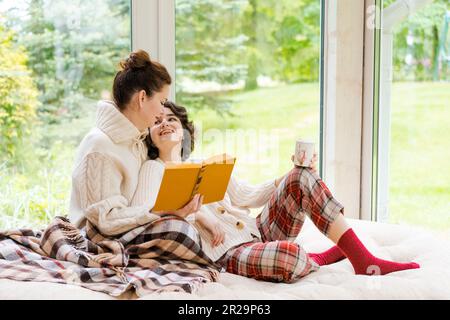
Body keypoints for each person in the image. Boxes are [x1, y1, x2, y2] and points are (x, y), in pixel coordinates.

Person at [143, 100, 421, 283]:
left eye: (171, 119)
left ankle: (363, 259)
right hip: (227, 252)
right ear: (150, 135)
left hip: (258, 229)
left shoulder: (205, 165)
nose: (165, 123)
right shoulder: (152, 170)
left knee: (301, 175)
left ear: (184, 131)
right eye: (157, 122)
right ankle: (321, 258)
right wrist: (200, 217)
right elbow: (151, 215)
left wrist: (288, 177)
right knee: (289, 256)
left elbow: (247, 197)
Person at [69, 50, 203, 236]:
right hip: (99, 237)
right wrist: (160, 212)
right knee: (179, 231)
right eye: (161, 100)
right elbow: (105, 220)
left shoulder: (137, 140)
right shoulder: (100, 146)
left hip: (133, 229)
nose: (162, 110)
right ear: (142, 98)